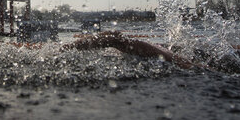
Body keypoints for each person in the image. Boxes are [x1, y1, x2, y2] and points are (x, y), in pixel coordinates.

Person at [62, 31, 194, 69]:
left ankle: (61, 50)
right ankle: (62, 50)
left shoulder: (184, 62)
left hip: (175, 61)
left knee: (115, 38)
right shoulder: (183, 61)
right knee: (115, 38)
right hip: (174, 60)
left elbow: (114, 38)